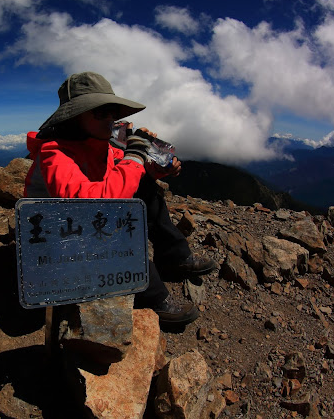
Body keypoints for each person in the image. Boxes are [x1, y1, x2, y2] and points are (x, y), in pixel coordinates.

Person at [24, 71, 217, 326]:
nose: (110, 120)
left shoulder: (100, 144)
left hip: (79, 224)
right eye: (100, 113)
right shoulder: (54, 152)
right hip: (54, 237)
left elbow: (123, 174)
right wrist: (134, 155)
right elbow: (90, 206)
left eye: (112, 113)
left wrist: (155, 168)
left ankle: (173, 258)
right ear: (73, 117)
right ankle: (153, 295)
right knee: (113, 237)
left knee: (144, 185)